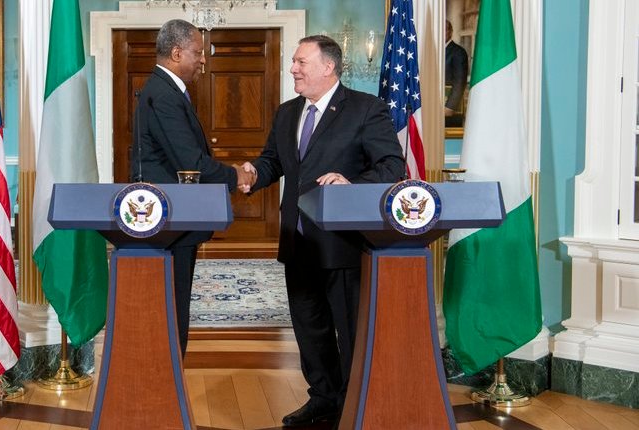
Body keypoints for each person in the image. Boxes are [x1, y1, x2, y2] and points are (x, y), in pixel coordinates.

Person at [239, 35, 405, 427]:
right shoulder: (286, 113)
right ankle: (324, 398)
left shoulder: (366, 109)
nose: (293, 69)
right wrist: (251, 174)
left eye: (301, 62)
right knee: (309, 328)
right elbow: (273, 162)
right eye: (294, 62)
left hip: (341, 243)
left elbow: (391, 166)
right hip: (297, 240)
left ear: (328, 67)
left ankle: (355, 404)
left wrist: (351, 183)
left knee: (349, 329)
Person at [130, 19, 254, 357]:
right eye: (198, 52)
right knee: (172, 306)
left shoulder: (166, 91)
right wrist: (236, 176)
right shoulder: (164, 95)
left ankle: (169, 373)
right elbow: (191, 163)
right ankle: (167, 373)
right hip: (170, 221)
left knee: (174, 304)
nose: (203, 60)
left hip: (174, 219)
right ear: (176, 53)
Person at [445, 20, 469, 126]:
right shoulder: (434, 51)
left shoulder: (458, 52)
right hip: (435, 105)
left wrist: (449, 107)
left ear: (450, 32)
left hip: (450, 111)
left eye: (444, 30)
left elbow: (460, 82)